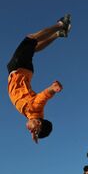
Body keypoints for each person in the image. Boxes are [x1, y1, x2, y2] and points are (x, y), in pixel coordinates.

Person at [6, 14, 71, 143]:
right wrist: (53, 89)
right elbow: (43, 96)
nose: (30, 130)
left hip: (23, 71)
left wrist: (36, 134)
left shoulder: (33, 115)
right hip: (19, 68)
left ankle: (58, 34)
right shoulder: (35, 108)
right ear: (39, 123)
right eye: (34, 130)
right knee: (31, 38)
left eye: (32, 132)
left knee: (33, 48)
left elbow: (35, 121)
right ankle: (60, 25)